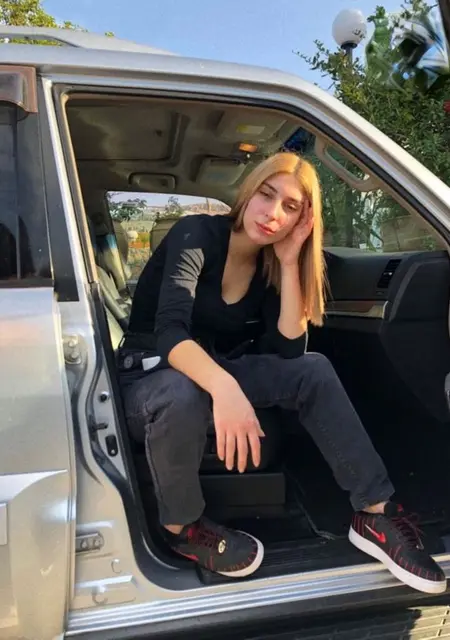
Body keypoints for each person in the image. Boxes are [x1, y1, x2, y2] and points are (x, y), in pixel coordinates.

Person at [119, 152, 446, 593]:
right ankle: (182, 528)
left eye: (290, 207)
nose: (272, 213)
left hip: (217, 367)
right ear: (248, 192)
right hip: (151, 374)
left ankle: (375, 513)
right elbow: (170, 332)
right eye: (266, 194)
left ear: (300, 220)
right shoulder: (195, 233)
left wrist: (290, 263)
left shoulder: (270, 263)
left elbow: (290, 351)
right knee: (182, 391)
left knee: (312, 370)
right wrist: (225, 388)